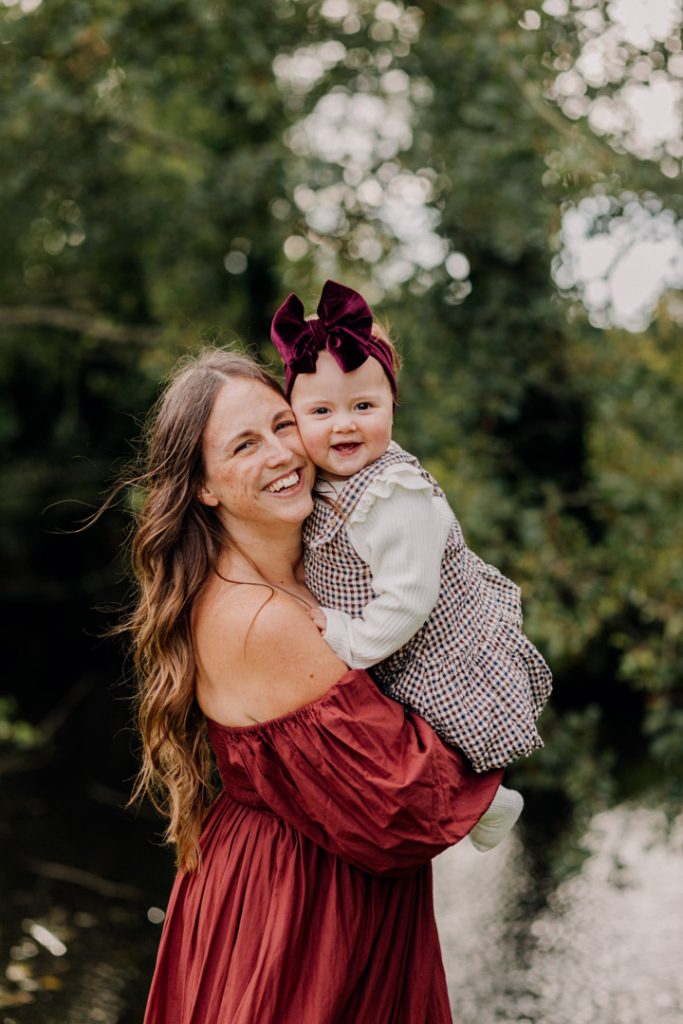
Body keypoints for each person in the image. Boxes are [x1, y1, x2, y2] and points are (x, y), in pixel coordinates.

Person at [129, 348, 503, 1024]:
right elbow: (407, 803)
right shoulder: (260, 620)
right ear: (205, 487)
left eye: (281, 424)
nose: (281, 453)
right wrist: (485, 696)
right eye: (244, 444)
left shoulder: (322, 571)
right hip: (298, 910)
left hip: (319, 879)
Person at [271, 280, 553, 851]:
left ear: (392, 407)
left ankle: (481, 800)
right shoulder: (325, 478)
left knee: (412, 741)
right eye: (320, 411)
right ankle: (474, 802)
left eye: (364, 406)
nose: (344, 425)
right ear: (294, 418)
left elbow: (409, 597)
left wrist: (347, 638)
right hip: (385, 637)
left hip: (426, 640)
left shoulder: (393, 492)